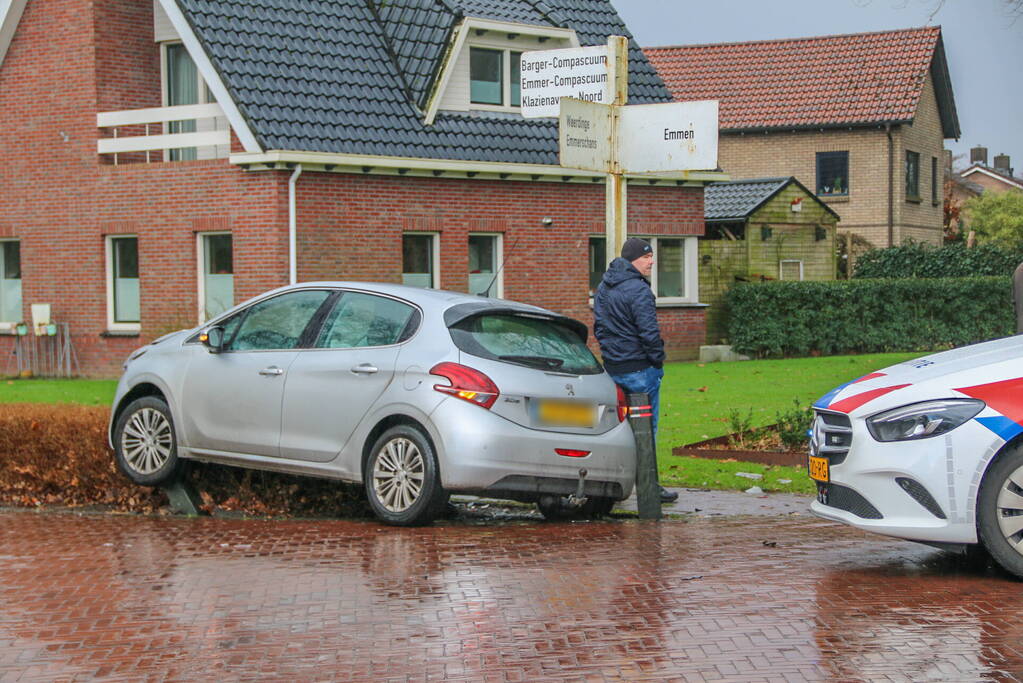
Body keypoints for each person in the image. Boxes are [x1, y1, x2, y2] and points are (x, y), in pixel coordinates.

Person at [593, 237, 678, 504]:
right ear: (632, 260)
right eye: (646, 257)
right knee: (646, 431)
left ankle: (615, 482)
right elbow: (649, 332)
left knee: (617, 429)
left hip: (613, 368)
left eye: (652, 256)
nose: (651, 261)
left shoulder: (604, 287)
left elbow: (600, 328)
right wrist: (657, 361)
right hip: (640, 370)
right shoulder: (639, 290)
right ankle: (649, 486)